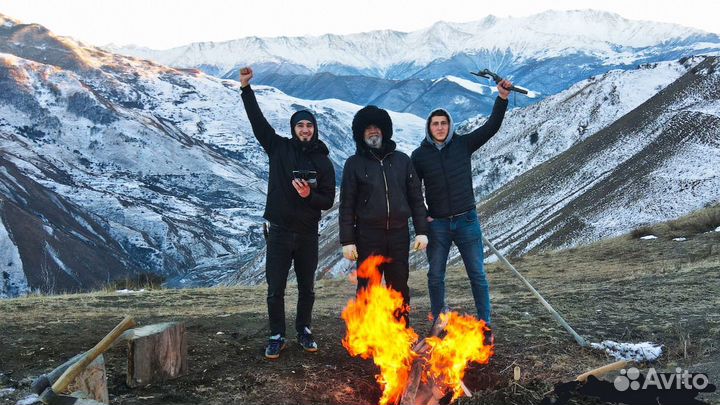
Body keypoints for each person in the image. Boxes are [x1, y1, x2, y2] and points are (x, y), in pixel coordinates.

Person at [239, 67, 336, 359]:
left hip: (307, 233)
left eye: (309, 125)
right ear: (293, 129)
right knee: (275, 288)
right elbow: (258, 123)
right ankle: (276, 335)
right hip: (279, 231)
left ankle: (304, 330)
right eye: (300, 125)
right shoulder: (278, 149)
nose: (305, 129)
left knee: (307, 287)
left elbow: (328, 199)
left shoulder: (323, 160)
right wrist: (246, 89)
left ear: (314, 129)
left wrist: (309, 195)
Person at [411, 80, 513, 340]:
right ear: (428, 128)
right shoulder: (419, 156)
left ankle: (485, 326)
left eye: (444, 123)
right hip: (439, 226)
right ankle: (438, 326)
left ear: (450, 125)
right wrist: (424, 216)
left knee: (477, 274)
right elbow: (412, 190)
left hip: (467, 220)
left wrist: (501, 98)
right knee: (435, 276)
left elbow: (491, 127)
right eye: (435, 124)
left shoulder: (463, 144)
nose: (440, 127)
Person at [339, 105, 428, 325]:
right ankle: (367, 335)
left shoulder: (402, 160)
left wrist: (422, 231)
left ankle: (400, 331)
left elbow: (416, 198)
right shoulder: (354, 164)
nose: (372, 131)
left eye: (376, 127)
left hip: (399, 234)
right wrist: (347, 240)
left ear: (384, 130)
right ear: (361, 133)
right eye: (367, 128)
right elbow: (347, 205)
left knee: (398, 286)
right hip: (368, 236)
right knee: (368, 287)